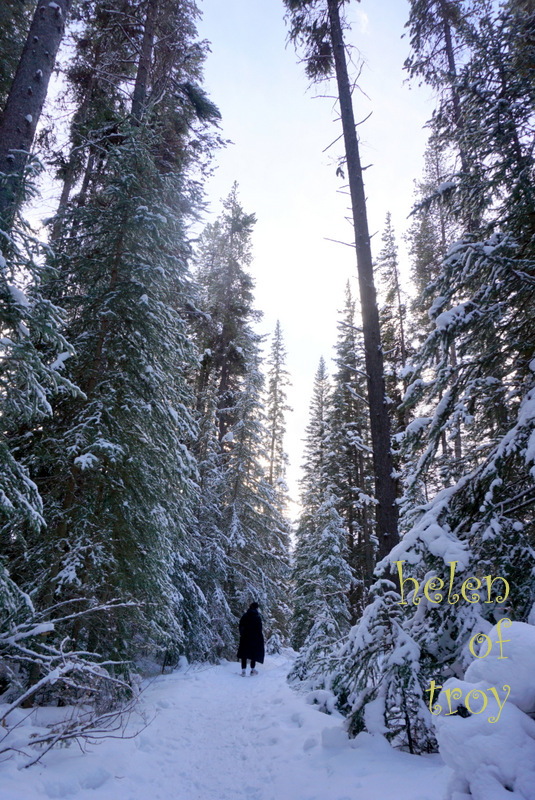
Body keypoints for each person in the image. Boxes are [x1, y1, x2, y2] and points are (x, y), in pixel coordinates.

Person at [237, 601, 265, 676]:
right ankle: (252, 670)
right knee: (253, 654)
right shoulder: (257, 617)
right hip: (255, 638)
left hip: (245, 638)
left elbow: (241, 626)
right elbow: (259, 629)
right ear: (256, 608)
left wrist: (242, 634)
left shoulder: (245, 616)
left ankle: (243, 671)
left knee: (244, 654)